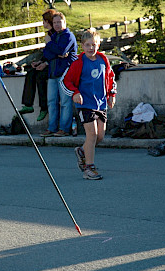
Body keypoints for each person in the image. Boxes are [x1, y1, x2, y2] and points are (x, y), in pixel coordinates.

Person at [61, 29, 117, 180]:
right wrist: (75, 93)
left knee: (100, 136)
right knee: (91, 135)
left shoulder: (103, 60)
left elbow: (111, 77)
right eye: (87, 45)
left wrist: (111, 95)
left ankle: (81, 151)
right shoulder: (78, 63)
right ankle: (89, 168)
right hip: (85, 104)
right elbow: (66, 81)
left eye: (94, 45)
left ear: (98, 45)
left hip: (101, 104)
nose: (91, 48)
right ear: (82, 46)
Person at [40, 11, 78, 137]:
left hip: (65, 74)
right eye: (54, 22)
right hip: (53, 73)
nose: (56, 25)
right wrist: (57, 53)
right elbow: (47, 54)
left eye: (59, 22)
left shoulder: (68, 36)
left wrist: (50, 44)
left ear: (64, 22)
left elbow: (61, 50)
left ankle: (64, 129)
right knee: (51, 102)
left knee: (65, 102)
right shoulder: (54, 36)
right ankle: (52, 128)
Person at [18, 9, 56, 122]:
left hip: (54, 64)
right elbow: (47, 52)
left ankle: (43, 108)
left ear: (48, 21)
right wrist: (39, 62)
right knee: (30, 73)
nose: (43, 23)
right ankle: (28, 104)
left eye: (44, 21)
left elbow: (54, 53)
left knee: (40, 77)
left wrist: (45, 64)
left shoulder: (53, 35)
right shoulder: (48, 34)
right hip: (47, 61)